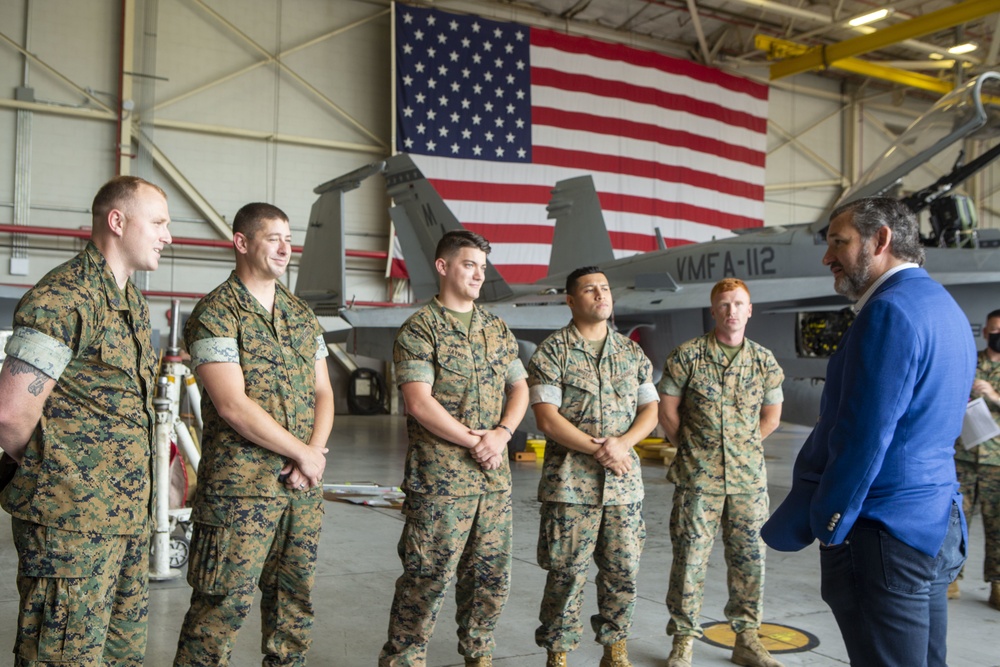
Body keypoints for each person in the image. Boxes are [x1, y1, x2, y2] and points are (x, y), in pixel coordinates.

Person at [762, 197, 976, 667]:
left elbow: (864, 434)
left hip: (884, 529)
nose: (827, 257)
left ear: (880, 240)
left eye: (839, 242)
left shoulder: (889, 312)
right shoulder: (945, 308)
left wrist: (832, 524)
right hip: (936, 518)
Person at [0, 175, 171, 666]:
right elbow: (11, 416)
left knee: (121, 656)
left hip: (125, 523)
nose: (168, 236)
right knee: (61, 657)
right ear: (117, 222)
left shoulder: (132, 304)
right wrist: (58, 474)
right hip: (70, 530)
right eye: (158, 223)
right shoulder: (64, 298)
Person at [173, 203, 334, 666]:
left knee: (294, 608)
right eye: (273, 238)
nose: (286, 248)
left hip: (301, 492)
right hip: (240, 496)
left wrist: (314, 456)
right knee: (218, 612)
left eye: (290, 238)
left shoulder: (301, 314)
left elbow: (324, 392)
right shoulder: (216, 313)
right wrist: (304, 454)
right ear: (242, 243)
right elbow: (233, 406)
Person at [379, 230, 528, 667]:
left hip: (492, 481)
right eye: (469, 264)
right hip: (441, 482)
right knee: (427, 578)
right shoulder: (420, 329)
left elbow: (519, 386)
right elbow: (418, 401)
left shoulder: (495, 328)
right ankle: (404, 659)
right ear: (443, 267)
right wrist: (476, 441)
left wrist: (501, 434)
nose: (479, 274)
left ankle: (478, 655)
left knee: (490, 578)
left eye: (483, 267)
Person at [527, 266, 659, 667]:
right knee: (566, 575)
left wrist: (623, 445)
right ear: (571, 300)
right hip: (570, 487)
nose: (601, 295)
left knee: (622, 572)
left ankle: (614, 649)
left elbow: (650, 410)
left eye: (605, 288)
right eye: (590, 290)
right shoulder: (552, 351)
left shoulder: (631, 352)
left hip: (623, 487)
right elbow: (546, 418)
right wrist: (599, 449)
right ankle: (559, 653)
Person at [658, 277, 785, 667]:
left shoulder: (764, 361)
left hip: (748, 482)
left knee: (750, 560)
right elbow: (667, 412)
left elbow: (772, 417)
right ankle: (683, 641)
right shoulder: (687, 356)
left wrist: (742, 447)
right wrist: (697, 449)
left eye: (739, 304)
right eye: (724, 304)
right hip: (698, 479)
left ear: (750, 310)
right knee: (690, 560)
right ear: (713, 311)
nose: (732, 311)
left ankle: (746, 638)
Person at [949, 308, 1000, 609]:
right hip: (964, 458)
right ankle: (951, 577)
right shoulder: (970, 362)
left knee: (998, 526)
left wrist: (992, 395)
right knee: (956, 521)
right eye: (994, 330)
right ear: (985, 332)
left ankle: (997, 585)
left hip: (997, 463)